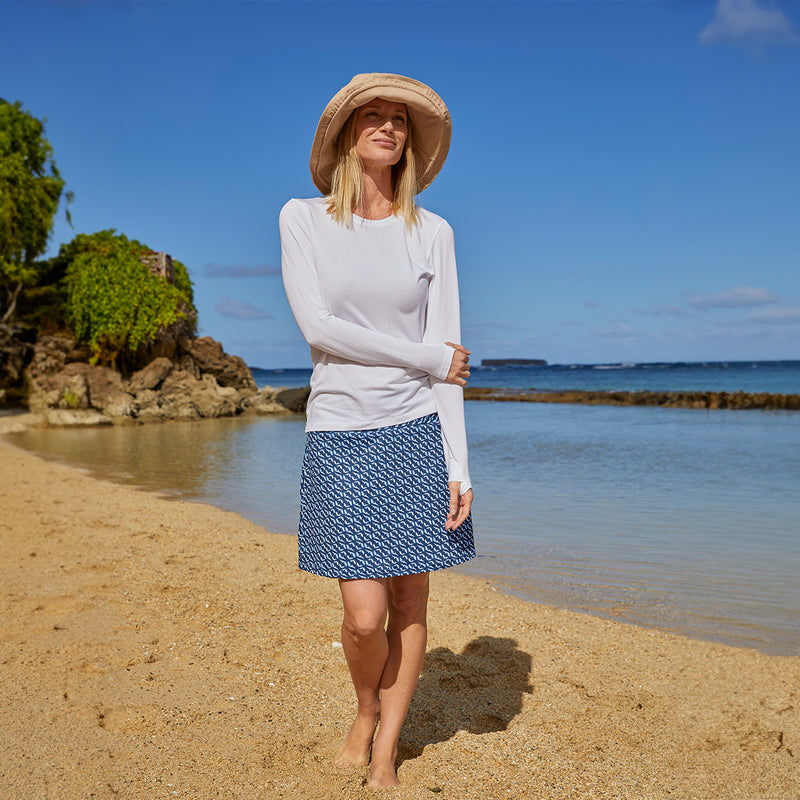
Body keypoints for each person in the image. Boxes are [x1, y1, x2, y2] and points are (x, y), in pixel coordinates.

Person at [279, 73, 475, 789]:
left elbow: (447, 365)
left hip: (417, 430)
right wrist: (426, 355)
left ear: (410, 143)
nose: (388, 127)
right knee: (363, 619)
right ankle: (365, 707)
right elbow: (320, 329)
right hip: (338, 432)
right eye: (374, 116)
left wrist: (460, 465)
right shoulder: (303, 219)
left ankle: (387, 745)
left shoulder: (434, 233)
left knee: (410, 604)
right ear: (346, 133)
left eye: (399, 120)